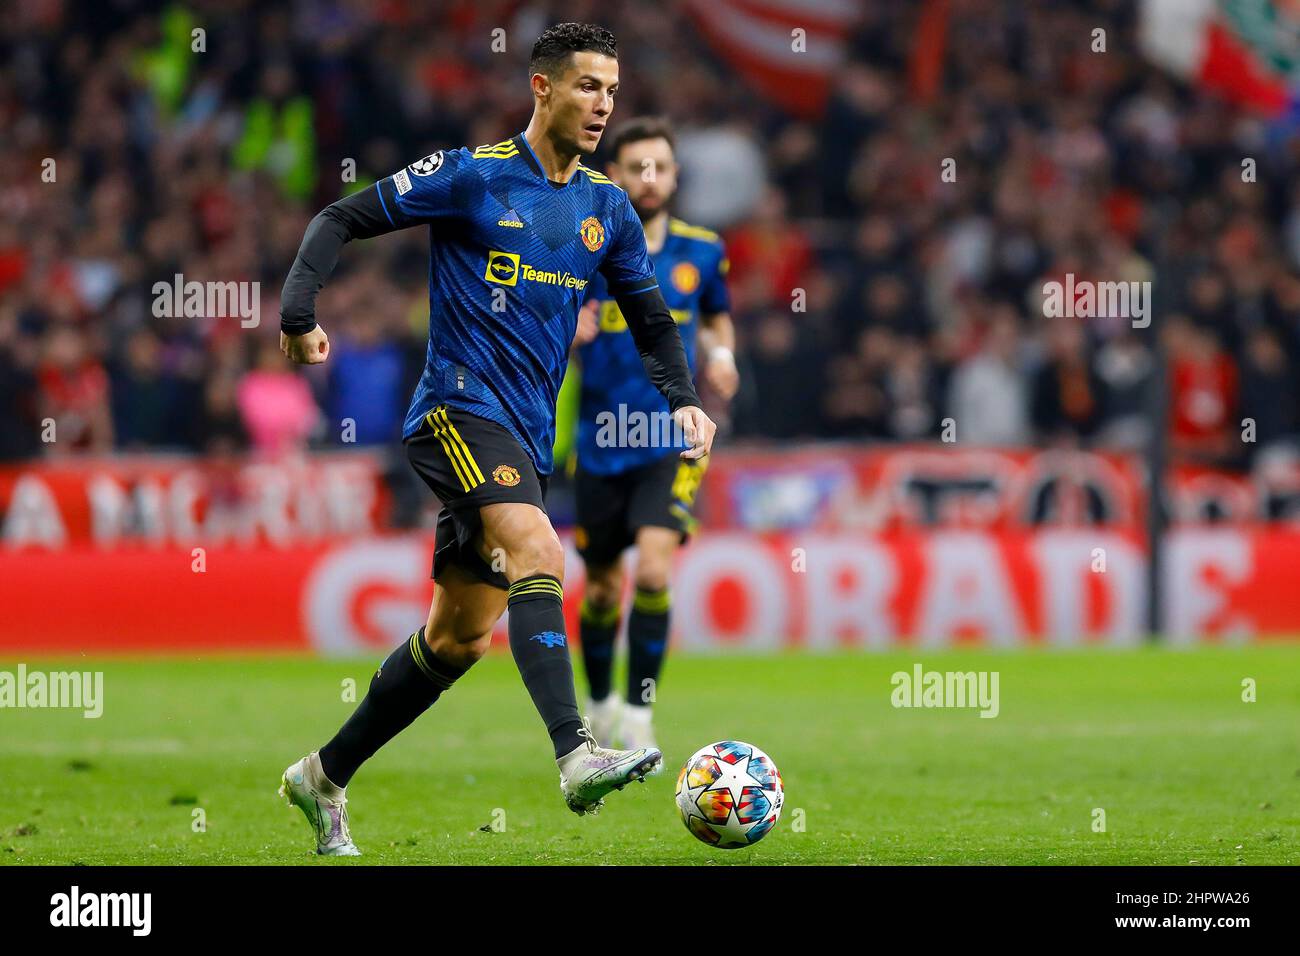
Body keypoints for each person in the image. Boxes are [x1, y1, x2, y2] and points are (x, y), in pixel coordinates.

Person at [274, 22, 716, 855]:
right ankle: (576, 753)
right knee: (541, 553)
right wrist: (299, 314)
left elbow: (654, 322)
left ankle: (322, 776)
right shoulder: (471, 176)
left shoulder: (606, 207)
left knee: (458, 638)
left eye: (613, 92)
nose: (603, 106)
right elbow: (340, 215)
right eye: (588, 86)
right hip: (455, 411)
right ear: (542, 87)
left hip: (524, 436)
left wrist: (683, 399)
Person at [568, 117, 737, 755]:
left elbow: (719, 320)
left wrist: (723, 358)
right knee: (605, 586)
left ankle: (639, 712)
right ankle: (601, 701)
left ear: (674, 174)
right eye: (637, 167)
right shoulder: (584, 255)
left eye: (661, 167)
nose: (649, 178)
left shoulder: (702, 251)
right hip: (600, 442)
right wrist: (569, 331)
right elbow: (544, 324)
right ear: (611, 174)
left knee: (656, 570)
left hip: (670, 440)